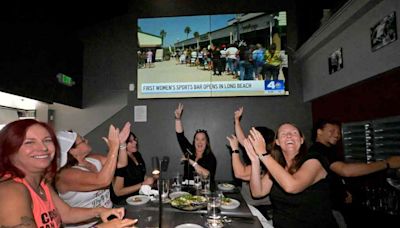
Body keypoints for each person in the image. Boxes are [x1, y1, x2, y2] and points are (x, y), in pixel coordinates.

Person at [0, 119, 137, 228]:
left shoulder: (42, 183)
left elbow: (67, 213)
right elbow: (103, 180)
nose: (43, 148)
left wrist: (100, 211)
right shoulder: (11, 191)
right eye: (29, 142)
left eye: (47, 140)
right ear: (10, 150)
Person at [309, 119, 400, 228]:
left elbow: (333, 179)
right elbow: (346, 171)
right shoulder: (319, 150)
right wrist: (387, 163)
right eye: (332, 131)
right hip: (331, 210)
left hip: (339, 205)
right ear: (319, 132)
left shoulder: (326, 150)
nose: (337, 135)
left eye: (338, 132)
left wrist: (343, 192)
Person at [244, 124, 338, 228]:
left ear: (301, 140)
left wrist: (263, 154)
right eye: (283, 134)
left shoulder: (314, 161)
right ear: (278, 142)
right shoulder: (278, 166)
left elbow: (292, 186)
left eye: (294, 133)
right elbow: (257, 192)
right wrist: (255, 160)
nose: (289, 135)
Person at [55, 122, 131, 228]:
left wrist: (121, 145)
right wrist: (113, 148)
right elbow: (103, 181)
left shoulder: (93, 158)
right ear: (72, 150)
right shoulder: (65, 175)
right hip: (87, 225)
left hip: (108, 217)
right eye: (82, 140)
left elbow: (121, 164)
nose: (86, 140)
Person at [226, 107, 274, 220]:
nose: (248, 140)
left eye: (252, 138)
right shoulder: (258, 154)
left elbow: (239, 173)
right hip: (249, 207)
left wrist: (235, 150)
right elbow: (242, 139)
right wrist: (237, 120)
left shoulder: (266, 162)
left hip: (260, 211)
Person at [174, 103, 217, 184]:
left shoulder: (210, 158)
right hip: (186, 192)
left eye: (203, 139)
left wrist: (191, 162)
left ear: (206, 142)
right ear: (194, 141)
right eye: (197, 139)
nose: (199, 142)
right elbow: (180, 136)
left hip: (203, 192)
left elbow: (207, 175)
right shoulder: (189, 151)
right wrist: (177, 119)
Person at [110, 132, 155, 205]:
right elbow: (118, 192)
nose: (135, 142)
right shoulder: (119, 161)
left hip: (138, 197)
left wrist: (151, 179)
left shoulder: (137, 154)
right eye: (130, 141)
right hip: (123, 201)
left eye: (135, 139)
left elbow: (141, 176)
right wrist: (143, 184)